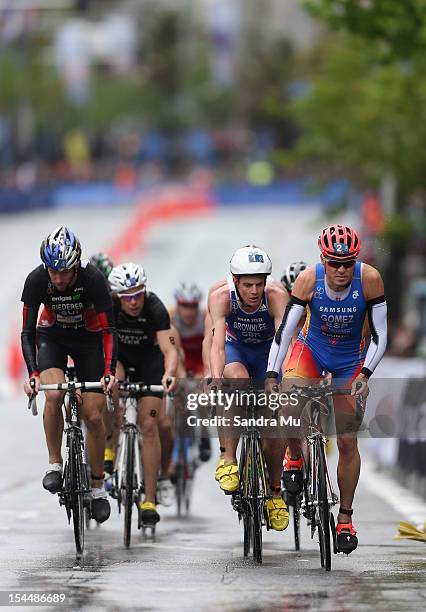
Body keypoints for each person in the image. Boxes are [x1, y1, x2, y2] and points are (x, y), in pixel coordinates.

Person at [266, 224, 387, 553]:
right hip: (311, 351)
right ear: (323, 260)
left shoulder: (370, 280)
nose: (341, 270)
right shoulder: (308, 280)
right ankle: (294, 456)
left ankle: (345, 517)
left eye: (348, 262)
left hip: (350, 360)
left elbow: (380, 335)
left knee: (347, 441)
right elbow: (285, 332)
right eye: (334, 262)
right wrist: (272, 375)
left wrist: (365, 373)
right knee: (289, 405)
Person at [21, 226, 116, 523]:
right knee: (54, 393)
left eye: (64, 272)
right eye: (53, 272)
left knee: (94, 415)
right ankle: (54, 463)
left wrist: (110, 372)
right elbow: (26, 332)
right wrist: (33, 372)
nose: (59, 279)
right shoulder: (37, 279)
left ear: (76, 264)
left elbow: (109, 330)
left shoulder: (93, 279)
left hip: (89, 341)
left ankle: (98, 486)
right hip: (53, 337)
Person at [208, 245, 290, 531]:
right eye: (247, 285)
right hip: (237, 351)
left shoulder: (277, 296)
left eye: (259, 284)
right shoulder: (221, 296)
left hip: (268, 354)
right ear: (235, 281)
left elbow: (283, 342)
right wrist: (216, 379)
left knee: (272, 425)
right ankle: (228, 458)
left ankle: (275, 494)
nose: (254, 291)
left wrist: (275, 378)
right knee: (236, 381)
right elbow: (217, 345)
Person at [108, 262, 178, 525]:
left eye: (138, 294)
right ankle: (108, 452)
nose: (134, 302)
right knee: (112, 387)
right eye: (127, 297)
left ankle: (149, 499)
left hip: (150, 363)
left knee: (149, 425)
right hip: (120, 361)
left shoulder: (155, 307)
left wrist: (169, 373)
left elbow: (169, 349)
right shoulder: (110, 307)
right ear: (117, 297)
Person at [170, 282, 211, 463]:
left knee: (200, 396)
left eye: (193, 306)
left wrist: (204, 374)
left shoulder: (204, 318)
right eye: (184, 306)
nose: (189, 311)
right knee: (177, 394)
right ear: (178, 305)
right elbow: (172, 350)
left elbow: (209, 349)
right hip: (180, 359)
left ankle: (204, 435)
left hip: (199, 361)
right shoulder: (170, 317)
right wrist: (179, 375)